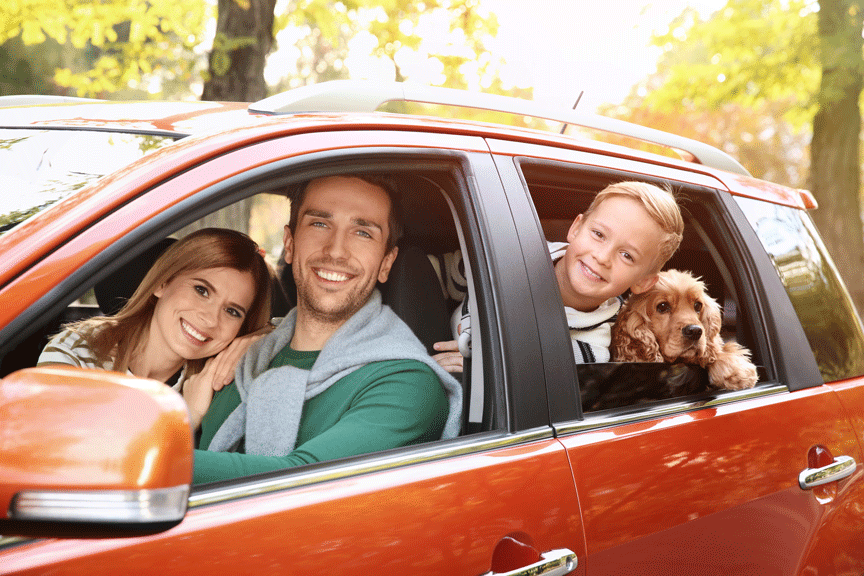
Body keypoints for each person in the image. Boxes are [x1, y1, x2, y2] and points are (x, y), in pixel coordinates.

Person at [192, 174, 462, 484]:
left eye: (362, 232)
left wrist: (134, 455)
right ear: (290, 244)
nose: (336, 250)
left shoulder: (409, 384)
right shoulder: (240, 357)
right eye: (320, 224)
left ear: (386, 263)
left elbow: (294, 484)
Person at [433, 181, 684, 370]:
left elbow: (524, 375)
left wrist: (485, 366)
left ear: (643, 282)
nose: (602, 257)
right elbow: (430, 274)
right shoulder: (510, 255)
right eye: (598, 234)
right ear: (576, 228)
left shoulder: (592, 349)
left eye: (627, 255)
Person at [37, 228, 275, 420]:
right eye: (201, 290)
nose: (211, 319)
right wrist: (189, 416)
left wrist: (259, 340)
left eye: (232, 311)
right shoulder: (80, 350)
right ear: (161, 283)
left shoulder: (218, 379)